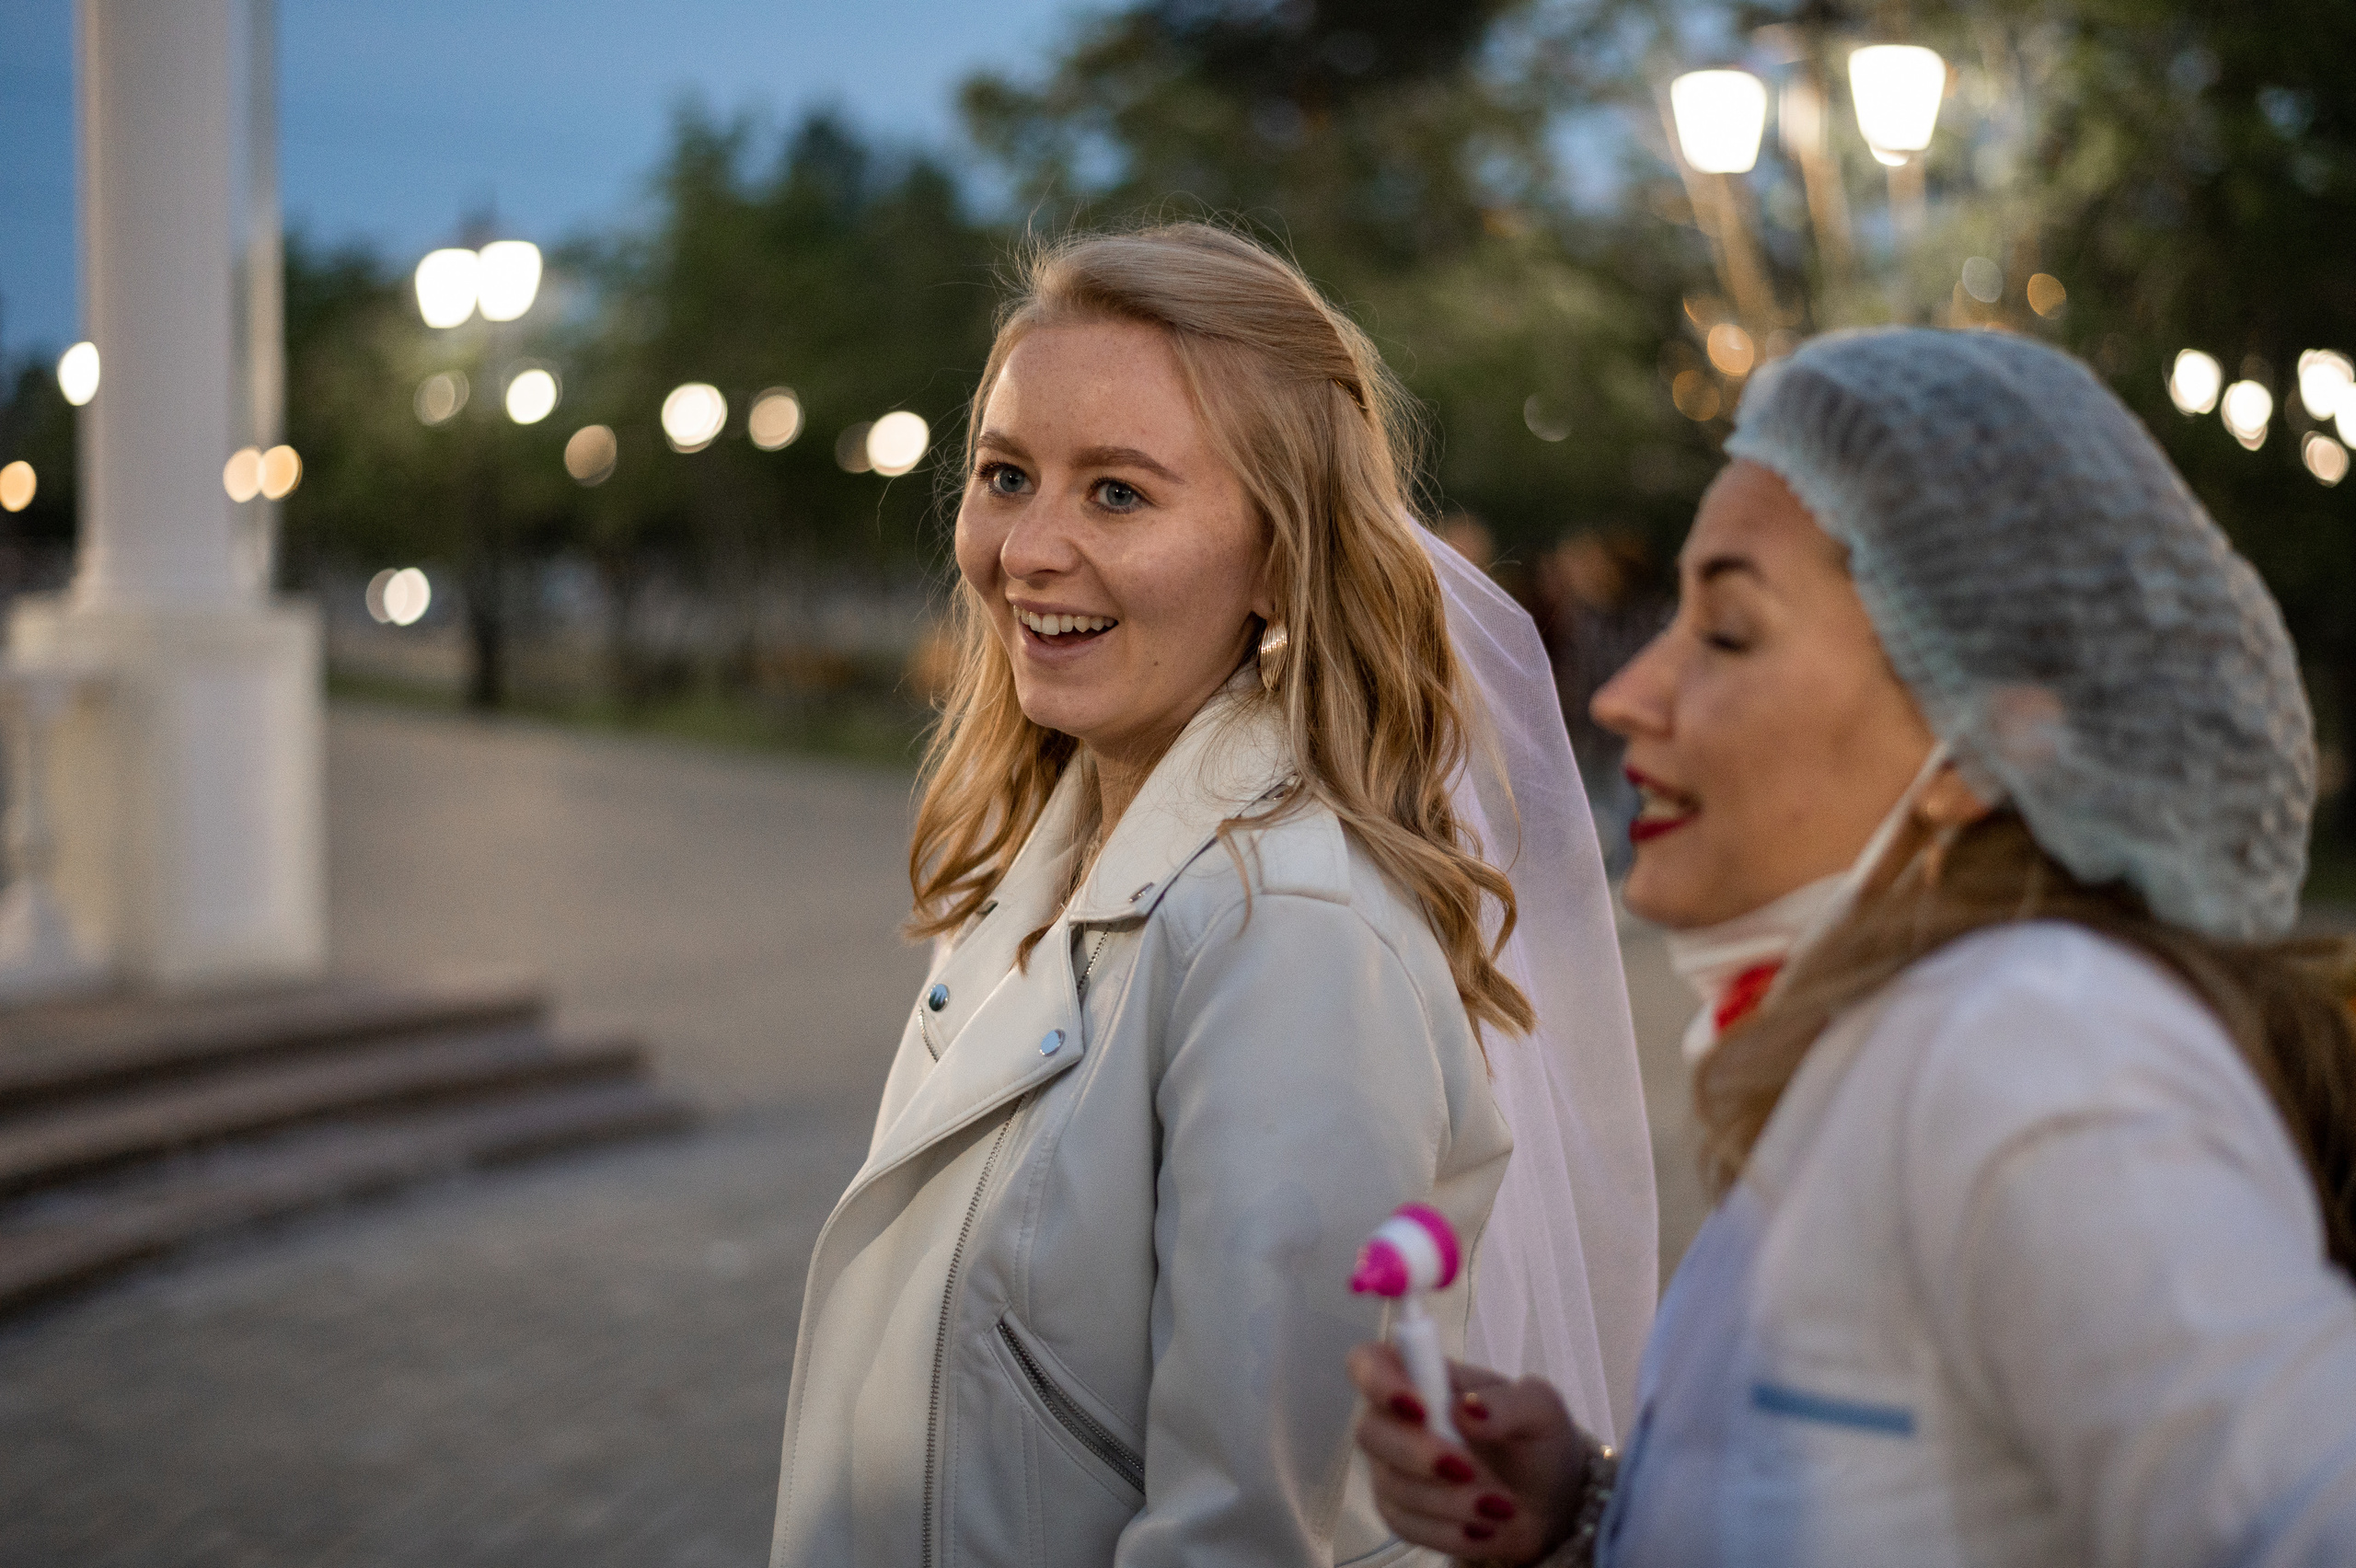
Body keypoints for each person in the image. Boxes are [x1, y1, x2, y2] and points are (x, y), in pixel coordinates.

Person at [1348, 327, 2356, 1565]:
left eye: (1727, 632)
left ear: (1991, 736)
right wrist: (1591, 1511)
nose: (1626, 698)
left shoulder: (2035, 1045)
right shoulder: (1876, 1038)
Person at [770, 222, 1653, 1568]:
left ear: (1280, 555)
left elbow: (1248, 1533)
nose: (1028, 549)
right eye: (1005, 475)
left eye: (1118, 493)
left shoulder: (1287, 931)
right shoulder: (1048, 855)